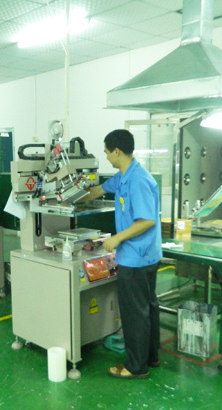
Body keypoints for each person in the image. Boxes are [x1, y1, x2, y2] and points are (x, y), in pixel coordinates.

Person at [81, 129, 162, 379]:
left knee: (134, 313)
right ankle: (150, 357)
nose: (106, 157)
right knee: (147, 308)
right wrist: (72, 197)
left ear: (117, 151)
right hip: (145, 255)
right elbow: (99, 190)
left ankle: (135, 367)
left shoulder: (138, 180)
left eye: (107, 152)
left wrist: (116, 238)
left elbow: (146, 220)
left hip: (137, 257)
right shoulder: (124, 176)